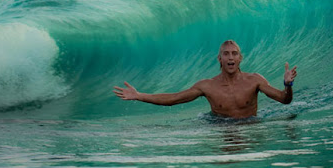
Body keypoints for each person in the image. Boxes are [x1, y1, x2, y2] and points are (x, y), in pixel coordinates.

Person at [113, 40, 297, 119]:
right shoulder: (207, 86)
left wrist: (288, 85)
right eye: (226, 54)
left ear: (240, 58)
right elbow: (174, 99)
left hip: (250, 125)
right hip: (219, 127)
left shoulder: (255, 80)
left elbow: (284, 100)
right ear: (220, 59)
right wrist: (139, 95)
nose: (230, 57)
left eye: (234, 54)